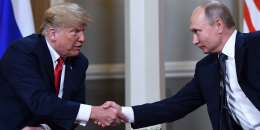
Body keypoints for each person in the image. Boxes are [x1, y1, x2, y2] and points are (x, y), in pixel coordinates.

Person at [101, 1, 260, 130]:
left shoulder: (256, 45)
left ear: (219, 25)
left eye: (197, 31)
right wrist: (123, 112)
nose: (194, 41)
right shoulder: (206, 69)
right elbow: (175, 106)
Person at [0, 2, 127, 130]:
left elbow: (74, 110)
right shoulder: (22, 52)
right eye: (75, 32)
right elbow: (39, 101)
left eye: (83, 31)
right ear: (53, 34)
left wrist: (45, 128)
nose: (82, 38)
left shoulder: (80, 62)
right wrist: (93, 112)